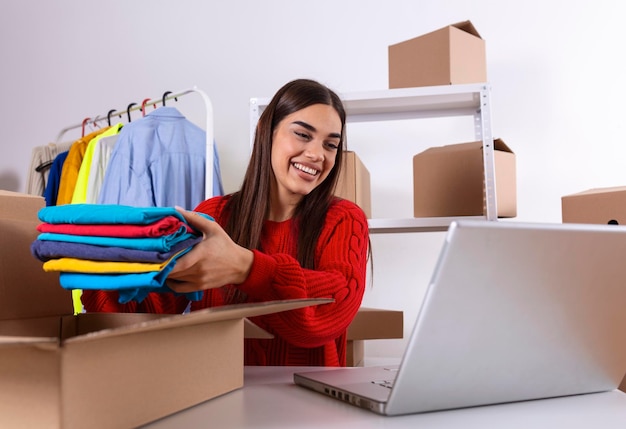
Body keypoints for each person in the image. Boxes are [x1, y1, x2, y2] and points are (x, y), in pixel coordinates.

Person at [82, 78, 370, 367]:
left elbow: (333, 308)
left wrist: (246, 268)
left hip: (310, 404)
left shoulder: (344, 220)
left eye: (330, 144)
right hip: (217, 395)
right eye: (303, 135)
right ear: (265, 132)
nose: (317, 154)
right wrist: (102, 267)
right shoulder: (215, 216)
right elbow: (152, 309)